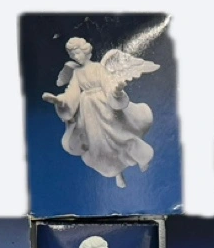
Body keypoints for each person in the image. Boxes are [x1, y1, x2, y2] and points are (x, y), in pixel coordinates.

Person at [42, 37, 157, 188]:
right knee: (99, 144)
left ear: (85, 51)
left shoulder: (97, 68)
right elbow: (72, 93)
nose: (76, 57)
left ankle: (142, 157)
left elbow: (107, 84)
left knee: (120, 136)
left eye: (78, 53)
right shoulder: (76, 73)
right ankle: (116, 172)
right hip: (89, 112)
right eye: (73, 55)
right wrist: (60, 101)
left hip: (105, 105)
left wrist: (116, 92)